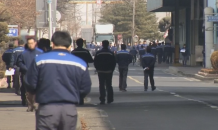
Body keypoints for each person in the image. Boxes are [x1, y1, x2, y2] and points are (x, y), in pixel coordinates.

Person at [25, 31, 91, 130]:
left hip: (47, 108)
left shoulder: (40, 60)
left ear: (53, 43)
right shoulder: (79, 63)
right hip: (69, 110)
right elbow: (85, 88)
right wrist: (75, 95)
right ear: (69, 46)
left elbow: (30, 84)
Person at [18, 37, 43, 111]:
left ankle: (36, 103)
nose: (30, 45)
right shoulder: (23, 53)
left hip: (38, 73)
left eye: (32, 43)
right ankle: (30, 105)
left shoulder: (40, 52)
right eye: (29, 43)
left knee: (37, 89)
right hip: (27, 74)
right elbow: (19, 62)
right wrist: (25, 68)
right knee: (28, 90)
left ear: (35, 43)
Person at [71, 38, 93, 105]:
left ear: (76, 44)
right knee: (83, 84)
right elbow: (90, 60)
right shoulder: (86, 52)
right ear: (82, 44)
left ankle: (76, 97)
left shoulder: (73, 52)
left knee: (75, 83)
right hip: (84, 69)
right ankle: (81, 98)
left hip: (74, 69)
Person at [94, 40, 116, 104]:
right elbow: (114, 62)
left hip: (100, 71)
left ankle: (102, 99)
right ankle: (110, 99)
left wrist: (97, 69)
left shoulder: (98, 53)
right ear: (108, 44)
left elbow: (95, 62)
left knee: (101, 85)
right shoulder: (111, 53)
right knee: (109, 85)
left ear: (102, 45)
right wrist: (112, 69)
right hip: (109, 71)